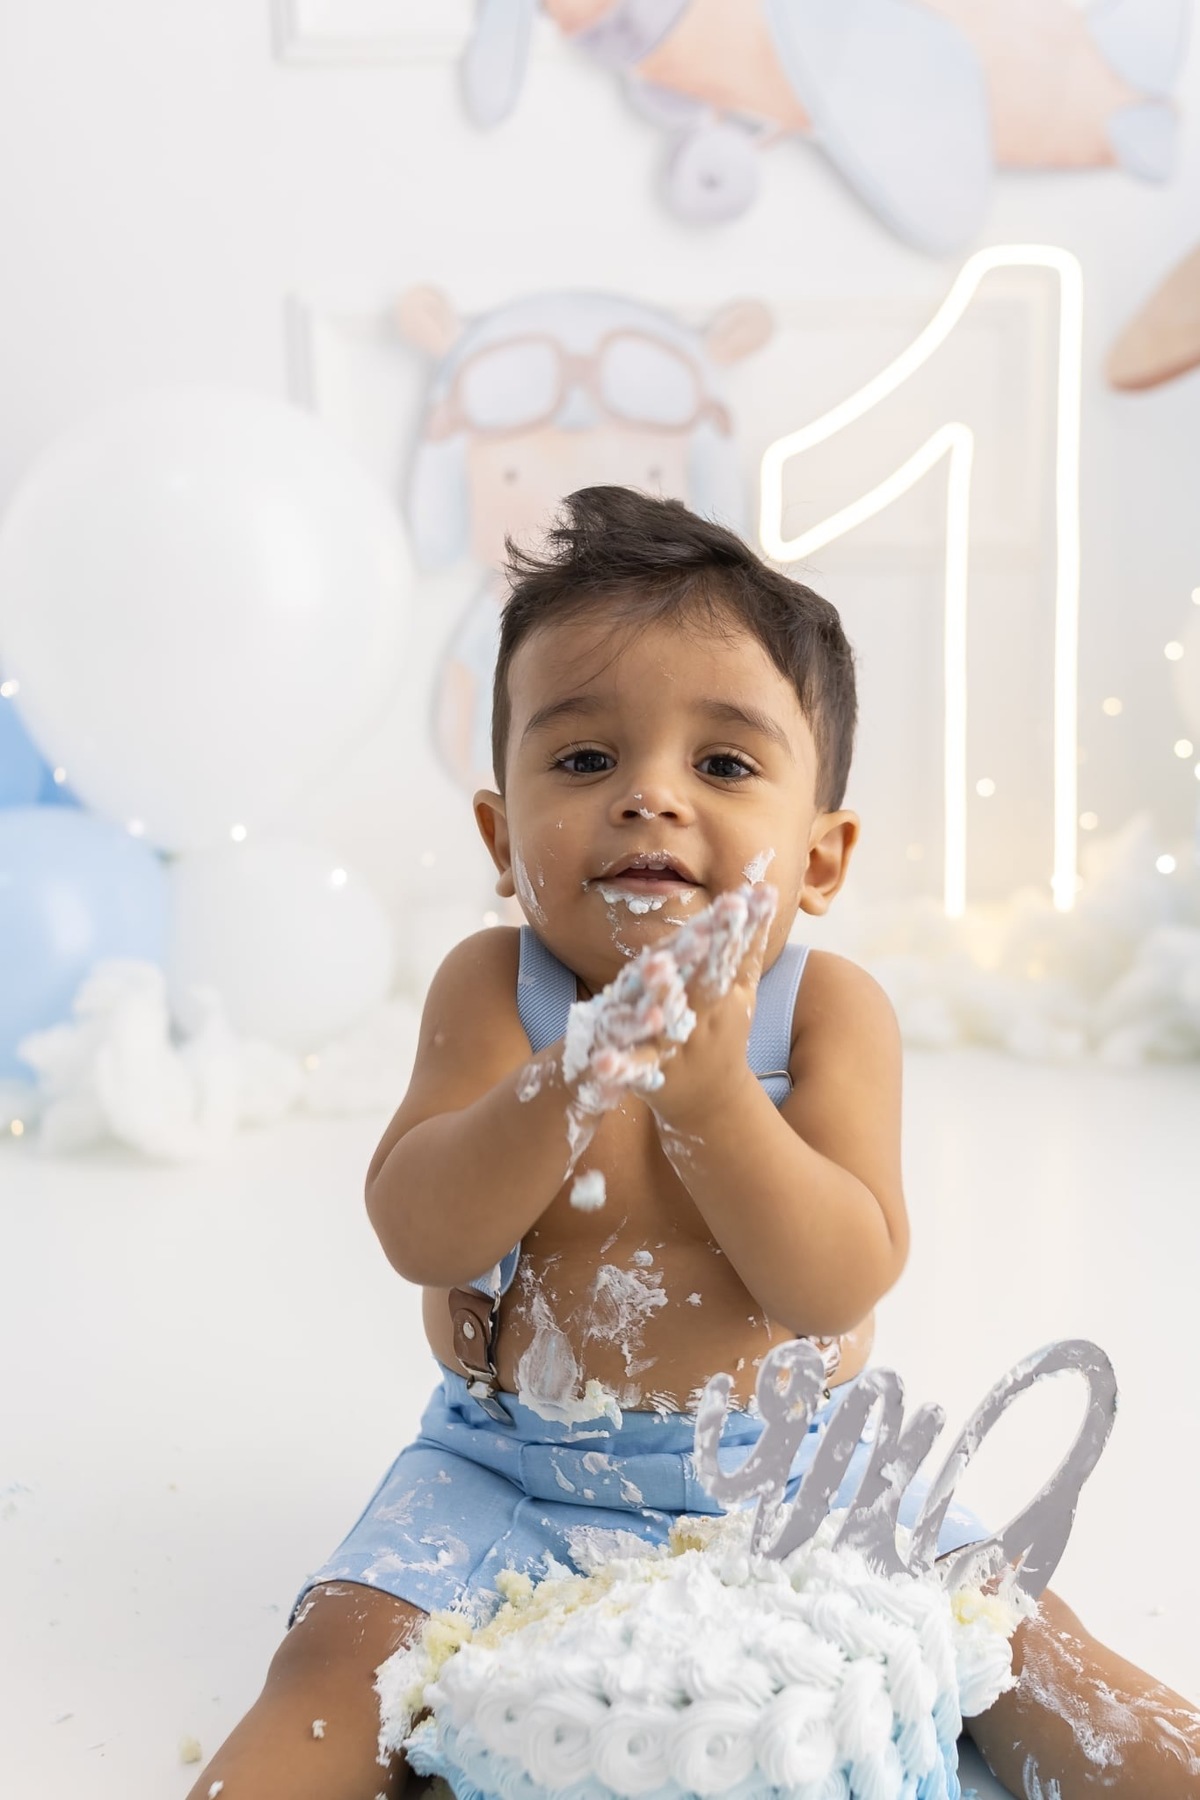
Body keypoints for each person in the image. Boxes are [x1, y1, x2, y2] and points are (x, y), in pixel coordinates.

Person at [189, 487, 1200, 1800]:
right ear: (502, 839)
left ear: (821, 859)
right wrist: (572, 1080)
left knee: (1029, 1650)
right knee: (335, 1670)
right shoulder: (495, 992)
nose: (649, 798)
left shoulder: (827, 1009)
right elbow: (422, 1229)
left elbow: (834, 1280)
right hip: (511, 1463)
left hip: (800, 1469)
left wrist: (715, 1096)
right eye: (583, 759)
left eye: (723, 765)